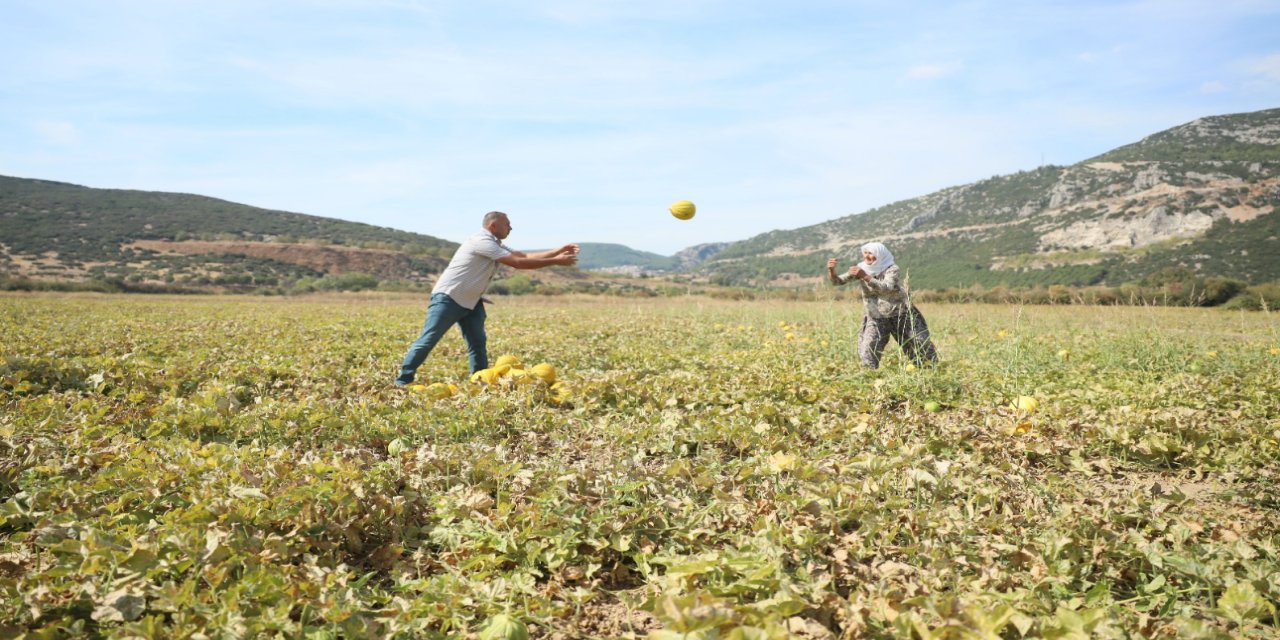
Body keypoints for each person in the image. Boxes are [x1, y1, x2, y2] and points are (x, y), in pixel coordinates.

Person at [396, 211, 578, 386]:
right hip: (449, 298)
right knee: (429, 339)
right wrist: (556, 261)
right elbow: (519, 263)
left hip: (472, 301)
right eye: (507, 224)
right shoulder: (481, 241)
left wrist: (558, 251)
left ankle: (481, 380)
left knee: (477, 343)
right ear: (493, 225)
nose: (511, 228)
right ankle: (403, 380)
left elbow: (524, 256)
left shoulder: (495, 243)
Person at [827, 242, 938, 369]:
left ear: (880, 255)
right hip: (876, 316)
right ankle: (869, 378)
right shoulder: (861, 268)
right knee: (868, 349)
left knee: (918, 344)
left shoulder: (892, 269)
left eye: (871, 254)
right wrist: (831, 270)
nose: (867, 256)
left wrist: (864, 276)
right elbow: (837, 282)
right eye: (866, 253)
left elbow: (886, 288)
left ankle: (930, 372)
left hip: (901, 314)